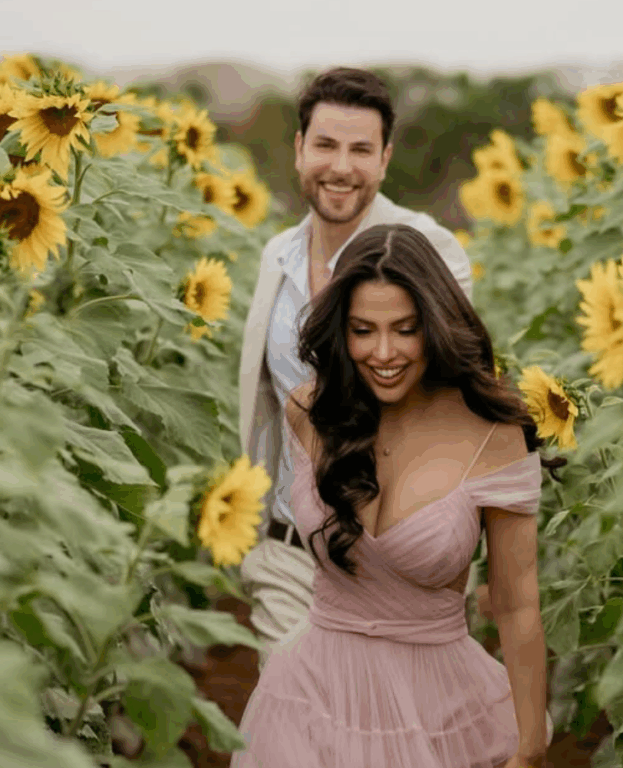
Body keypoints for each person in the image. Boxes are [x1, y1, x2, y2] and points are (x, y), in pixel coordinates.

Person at [231, 224, 559, 768]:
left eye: (405, 330)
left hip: (440, 706)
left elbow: (517, 602)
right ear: (341, 330)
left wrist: (530, 747)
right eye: (363, 330)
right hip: (311, 697)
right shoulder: (309, 411)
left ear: (435, 325)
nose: (384, 353)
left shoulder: (492, 436)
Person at [238, 67, 474, 670]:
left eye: (360, 149)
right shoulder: (277, 256)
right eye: (326, 145)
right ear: (299, 149)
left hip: (390, 560)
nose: (341, 166)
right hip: (288, 552)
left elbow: (451, 398)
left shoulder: (429, 250)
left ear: (385, 159)